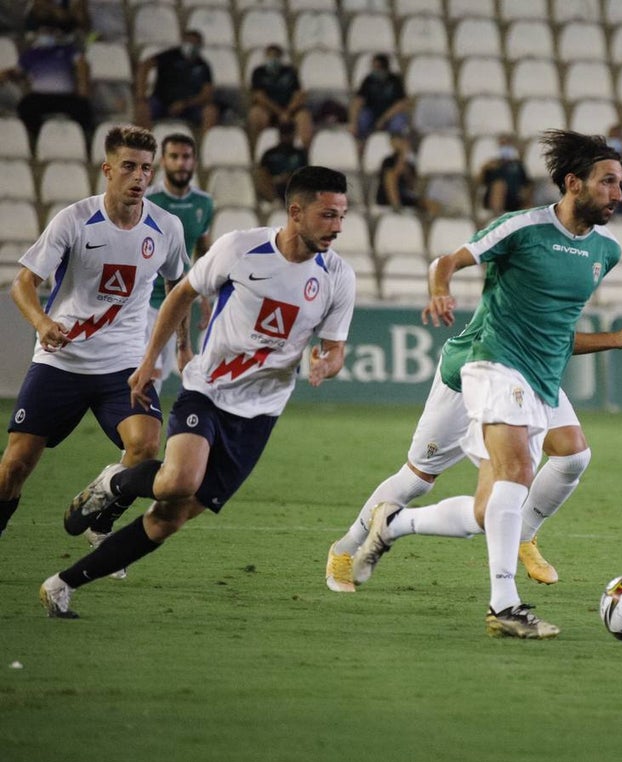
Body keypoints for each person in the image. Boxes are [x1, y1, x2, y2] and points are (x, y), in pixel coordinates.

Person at [41, 166, 357, 619]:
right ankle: (115, 481)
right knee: (176, 481)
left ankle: (62, 584)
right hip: (207, 390)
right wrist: (152, 359)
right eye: (328, 216)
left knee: (168, 519)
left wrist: (327, 363)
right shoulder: (240, 248)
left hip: (259, 415)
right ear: (296, 212)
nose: (338, 227)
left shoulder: (338, 277)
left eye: (342, 217)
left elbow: (335, 348)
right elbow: (180, 294)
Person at [360, 129, 622, 639]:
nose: (618, 193)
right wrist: (439, 291)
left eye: (620, 183)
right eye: (608, 182)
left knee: (556, 466)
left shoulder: (605, 252)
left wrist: (615, 339)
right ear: (573, 183)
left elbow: (558, 328)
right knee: (517, 472)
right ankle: (504, 605)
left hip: (541, 371)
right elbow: (448, 262)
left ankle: (394, 524)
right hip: (495, 361)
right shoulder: (523, 228)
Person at [325, 314, 622, 593]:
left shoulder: (598, 252)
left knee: (572, 455)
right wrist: (616, 338)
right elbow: (541, 336)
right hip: (475, 369)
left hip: (529, 372)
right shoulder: (531, 251)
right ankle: (346, 548)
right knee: (418, 478)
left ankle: (521, 539)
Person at [0, 125, 188, 548]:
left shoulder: (166, 228)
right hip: (60, 362)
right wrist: (43, 324)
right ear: (107, 170)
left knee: (145, 447)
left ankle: (100, 521)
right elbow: (22, 284)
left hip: (121, 364)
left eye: (145, 168)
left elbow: (181, 291)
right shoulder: (74, 220)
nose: (139, 177)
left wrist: (183, 344)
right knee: (15, 465)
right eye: (129, 167)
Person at [146, 132, 214, 392]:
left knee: (157, 380)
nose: (181, 163)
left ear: (194, 161)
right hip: (141, 301)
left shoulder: (204, 203)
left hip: (177, 303)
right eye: (174, 157)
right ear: (163, 161)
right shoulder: (148, 200)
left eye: (186, 157)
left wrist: (205, 298)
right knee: (146, 375)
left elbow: (204, 253)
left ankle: (144, 431)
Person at [0, 22, 93, 143]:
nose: (47, 34)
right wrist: (4, 74)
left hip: (65, 97)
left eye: (50, 31)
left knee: (83, 107)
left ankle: (84, 141)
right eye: (44, 31)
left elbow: (81, 64)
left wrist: (83, 87)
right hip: (40, 97)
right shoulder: (32, 54)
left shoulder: (67, 50)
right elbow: (17, 72)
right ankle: (37, 139)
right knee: (25, 107)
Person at [135, 29, 219, 134]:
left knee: (211, 112)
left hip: (189, 107)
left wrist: (185, 103)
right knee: (142, 108)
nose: (192, 46)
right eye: (189, 42)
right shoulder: (169, 56)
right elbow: (144, 66)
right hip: (162, 102)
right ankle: (145, 144)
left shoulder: (203, 66)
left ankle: (205, 146)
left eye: (195, 43)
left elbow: (207, 94)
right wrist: (141, 95)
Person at [247, 44, 314, 149]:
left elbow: (298, 95)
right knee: (255, 114)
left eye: (276, 56)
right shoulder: (258, 72)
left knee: (304, 117)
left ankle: (304, 153)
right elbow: (259, 96)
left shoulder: (290, 72)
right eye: (270, 56)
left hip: (289, 110)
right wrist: (280, 112)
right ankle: (257, 150)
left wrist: (287, 112)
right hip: (269, 109)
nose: (273, 59)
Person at [348, 53, 411, 143]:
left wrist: (383, 119)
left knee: (399, 121)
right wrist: (353, 123)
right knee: (362, 118)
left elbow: (402, 103)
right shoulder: (368, 80)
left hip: (390, 115)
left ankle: (395, 144)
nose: (373, 70)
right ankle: (363, 144)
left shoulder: (395, 80)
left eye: (376, 67)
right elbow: (358, 100)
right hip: (372, 112)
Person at [374, 131, 441, 216]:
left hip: (404, 195)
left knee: (432, 204)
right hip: (386, 197)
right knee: (391, 176)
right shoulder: (388, 161)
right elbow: (392, 176)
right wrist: (401, 156)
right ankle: (396, 206)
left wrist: (405, 160)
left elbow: (411, 185)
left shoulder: (410, 165)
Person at [477, 133, 532, 216]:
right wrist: (484, 169)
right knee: (499, 185)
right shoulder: (492, 165)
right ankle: (497, 214)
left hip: (514, 199)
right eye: (503, 145)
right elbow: (480, 182)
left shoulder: (518, 165)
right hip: (496, 200)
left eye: (508, 145)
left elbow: (526, 183)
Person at [255, 120, 309, 204]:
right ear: (280, 135)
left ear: (293, 135)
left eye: (289, 134)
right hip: (273, 187)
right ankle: (275, 202)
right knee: (258, 175)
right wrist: (276, 179)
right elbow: (262, 173)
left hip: (293, 188)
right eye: (284, 134)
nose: (286, 137)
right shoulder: (269, 153)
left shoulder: (300, 154)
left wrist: (289, 177)